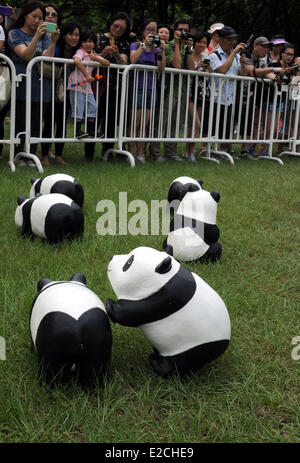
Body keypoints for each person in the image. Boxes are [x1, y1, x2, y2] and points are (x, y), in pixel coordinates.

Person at [7, 1, 60, 166]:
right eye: (34, 16)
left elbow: (46, 58)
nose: (37, 21)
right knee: (21, 120)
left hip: (40, 84)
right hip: (21, 82)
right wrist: (36, 36)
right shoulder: (14, 33)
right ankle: (18, 154)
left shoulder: (45, 36)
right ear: (25, 15)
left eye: (40, 18)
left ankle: (31, 154)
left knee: (37, 121)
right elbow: (25, 55)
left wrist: (52, 42)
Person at [84, 11, 131, 162]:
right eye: (115, 26)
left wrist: (117, 55)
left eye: (121, 29)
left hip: (114, 86)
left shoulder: (124, 44)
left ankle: (108, 152)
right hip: (96, 84)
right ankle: (89, 153)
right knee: (93, 118)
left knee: (110, 120)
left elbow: (124, 62)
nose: (117, 30)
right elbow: (89, 56)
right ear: (110, 24)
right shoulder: (98, 38)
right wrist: (103, 53)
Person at [149, 18, 193, 162]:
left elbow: (191, 68)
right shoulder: (168, 46)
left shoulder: (188, 48)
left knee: (175, 123)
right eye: (180, 29)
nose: (183, 33)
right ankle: (155, 153)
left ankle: (171, 152)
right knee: (161, 121)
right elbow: (177, 65)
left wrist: (190, 49)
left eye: (186, 30)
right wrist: (177, 46)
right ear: (175, 30)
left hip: (182, 90)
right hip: (168, 90)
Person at [41, 21, 81, 165]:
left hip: (68, 91)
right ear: (64, 35)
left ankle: (58, 155)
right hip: (51, 89)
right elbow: (47, 57)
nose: (74, 38)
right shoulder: (57, 47)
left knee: (62, 123)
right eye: (71, 34)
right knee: (49, 123)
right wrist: (52, 42)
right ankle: (45, 155)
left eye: (77, 35)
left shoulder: (78, 51)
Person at [128, 18, 166, 163]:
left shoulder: (157, 49)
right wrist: (143, 46)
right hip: (137, 87)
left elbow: (161, 67)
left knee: (144, 123)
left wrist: (161, 49)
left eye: (154, 30)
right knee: (135, 122)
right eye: (149, 30)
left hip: (151, 89)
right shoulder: (135, 45)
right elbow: (133, 60)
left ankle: (140, 154)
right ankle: (131, 153)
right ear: (143, 31)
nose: (152, 33)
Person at [244, 36, 286, 157]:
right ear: (255, 46)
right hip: (241, 93)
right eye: (264, 47)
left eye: (268, 47)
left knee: (256, 123)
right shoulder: (247, 55)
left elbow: (268, 74)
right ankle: (245, 149)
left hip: (256, 94)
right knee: (249, 123)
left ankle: (252, 148)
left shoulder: (264, 59)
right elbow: (252, 72)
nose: (266, 50)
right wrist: (274, 68)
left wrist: (277, 78)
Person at [209, 26, 247, 155]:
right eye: (229, 39)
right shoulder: (214, 55)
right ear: (221, 40)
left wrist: (242, 63)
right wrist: (233, 53)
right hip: (216, 97)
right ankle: (212, 150)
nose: (232, 42)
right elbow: (223, 70)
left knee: (227, 127)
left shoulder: (235, 57)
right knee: (215, 126)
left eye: (234, 39)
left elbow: (242, 74)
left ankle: (223, 150)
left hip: (230, 97)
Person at [67, 30, 110, 140]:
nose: (88, 44)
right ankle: (77, 132)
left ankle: (91, 131)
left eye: (91, 41)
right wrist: (86, 75)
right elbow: (76, 61)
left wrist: (96, 58)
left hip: (86, 86)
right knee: (78, 108)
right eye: (85, 41)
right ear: (81, 43)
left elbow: (107, 63)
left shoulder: (92, 54)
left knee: (93, 107)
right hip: (76, 83)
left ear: (94, 43)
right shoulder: (80, 51)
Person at [40, 2, 62, 165]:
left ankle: (47, 153)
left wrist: (54, 40)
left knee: (50, 118)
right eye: (47, 13)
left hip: (52, 81)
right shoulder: (35, 32)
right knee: (33, 118)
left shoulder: (59, 36)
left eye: (54, 15)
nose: (50, 16)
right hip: (35, 80)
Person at [185, 31, 211, 161]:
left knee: (192, 124)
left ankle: (188, 151)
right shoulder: (190, 54)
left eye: (204, 42)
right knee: (196, 123)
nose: (202, 44)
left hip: (202, 93)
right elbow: (190, 70)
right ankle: (191, 151)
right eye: (200, 42)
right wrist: (198, 67)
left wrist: (207, 68)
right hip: (190, 92)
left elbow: (211, 73)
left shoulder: (206, 55)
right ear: (195, 43)